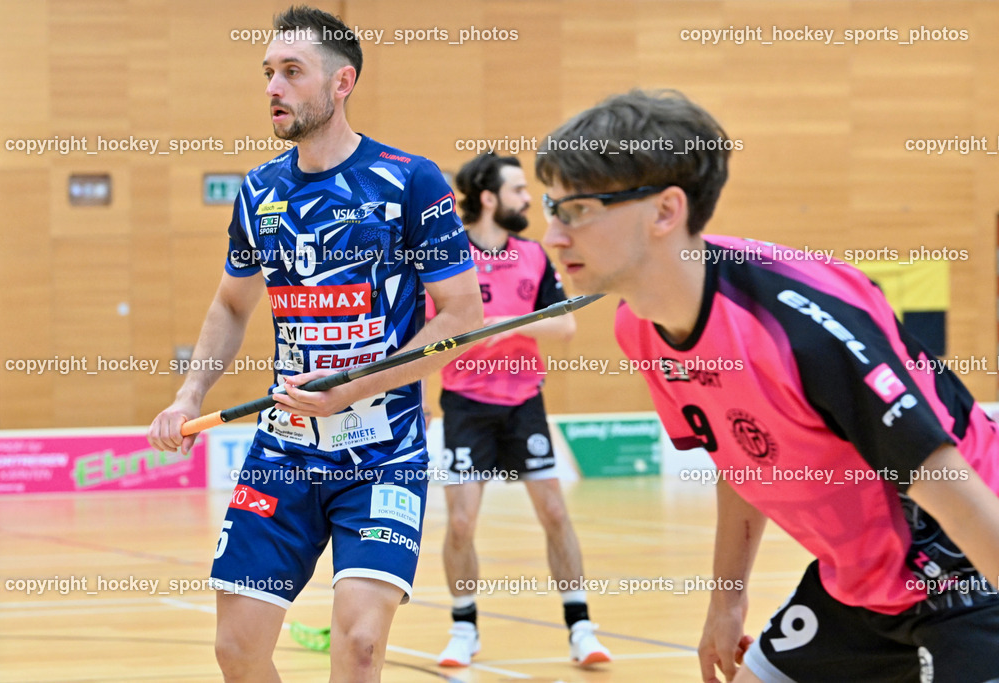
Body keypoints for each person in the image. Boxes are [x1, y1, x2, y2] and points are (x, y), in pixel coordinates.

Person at [535, 89, 999, 683]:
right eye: (552, 208)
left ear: (664, 211)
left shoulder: (802, 329)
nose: (553, 235)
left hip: (967, 567)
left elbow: (952, 488)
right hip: (861, 587)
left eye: (577, 210)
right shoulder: (641, 325)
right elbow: (742, 453)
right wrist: (726, 601)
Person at [147, 7, 482, 682]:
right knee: (236, 648)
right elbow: (231, 302)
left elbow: (461, 316)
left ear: (342, 82)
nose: (273, 86)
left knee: (358, 646)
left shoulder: (410, 182)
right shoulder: (260, 191)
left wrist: (353, 389)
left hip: (383, 453)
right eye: (268, 72)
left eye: (292, 72)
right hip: (284, 452)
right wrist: (189, 393)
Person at [427, 153, 611, 668]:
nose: (529, 199)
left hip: (524, 402)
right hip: (465, 405)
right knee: (461, 522)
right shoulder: (447, 257)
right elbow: (432, 333)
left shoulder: (532, 256)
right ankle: (464, 627)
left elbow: (565, 327)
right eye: (517, 191)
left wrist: (507, 323)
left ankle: (581, 628)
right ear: (488, 198)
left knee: (554, 511)